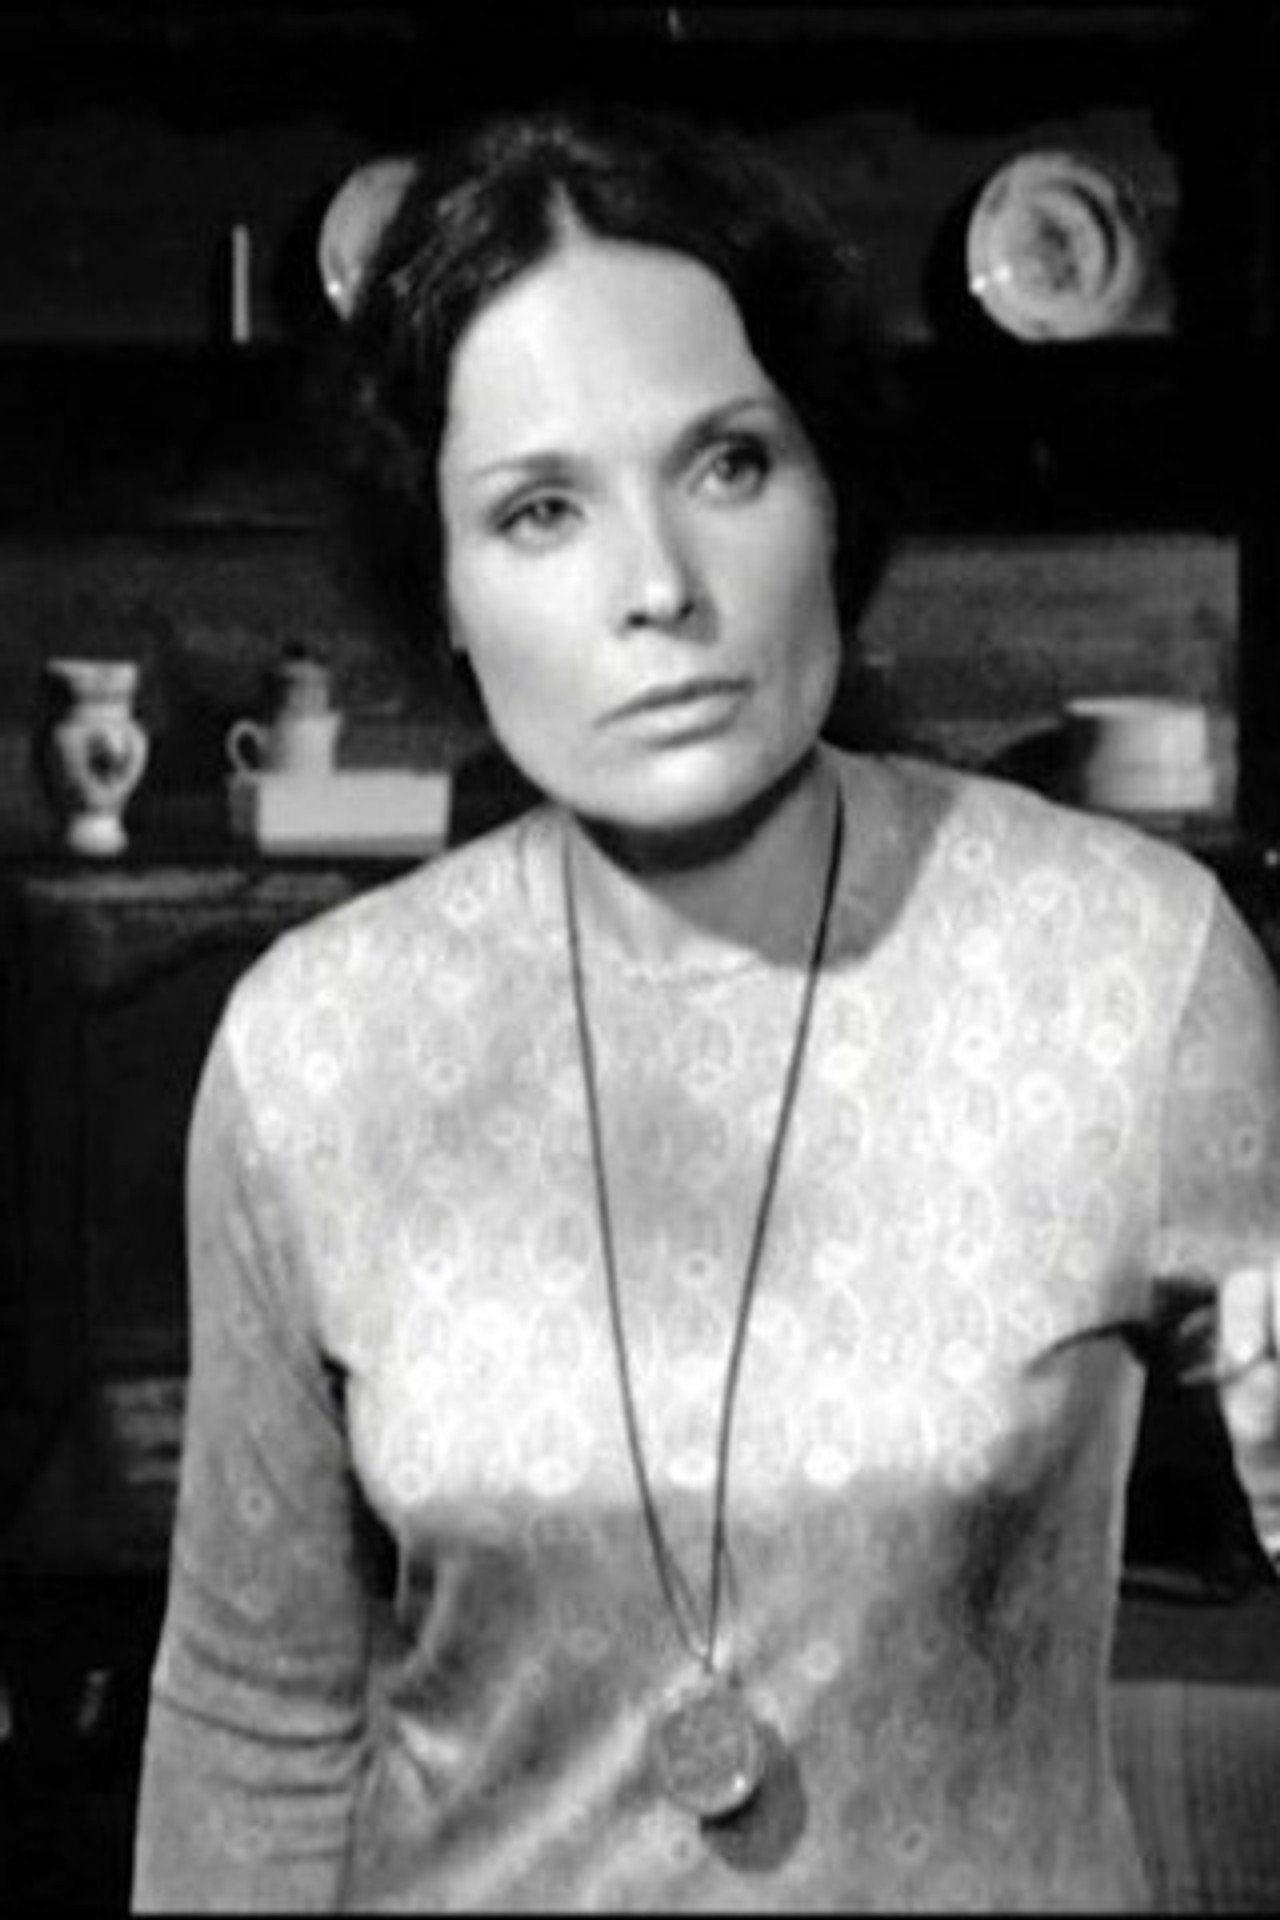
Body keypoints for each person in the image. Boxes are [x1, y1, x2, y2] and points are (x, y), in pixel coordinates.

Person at [132, 102, 1280, 1912]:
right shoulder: (313, 1054)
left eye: (730, 464)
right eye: (540, 511)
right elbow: (255, 1721)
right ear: (443, 591)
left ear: (833, 499)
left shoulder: (1127, 968)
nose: (660, 586)